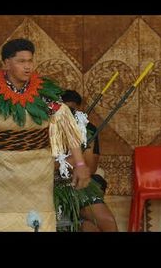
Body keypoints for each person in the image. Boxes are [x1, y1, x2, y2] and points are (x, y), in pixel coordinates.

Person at [0, 38, 90, 232]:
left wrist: (80, 164)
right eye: (21, 61)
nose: (28, 67)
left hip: (34, 173)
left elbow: (67, 127)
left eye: (30, 61)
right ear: (5, 64)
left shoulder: (43, 91)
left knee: (33, 224)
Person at [59, 90, 118, 232]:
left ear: (79, 110)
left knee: (107, 222)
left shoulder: (87, 129)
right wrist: (66, 162)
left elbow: (90, 168)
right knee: (89, 227)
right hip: (55, 186)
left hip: (78, 185)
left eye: (72, 111)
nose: (69, 114)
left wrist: (77, 162)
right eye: (65, 110)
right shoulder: (48, 126)